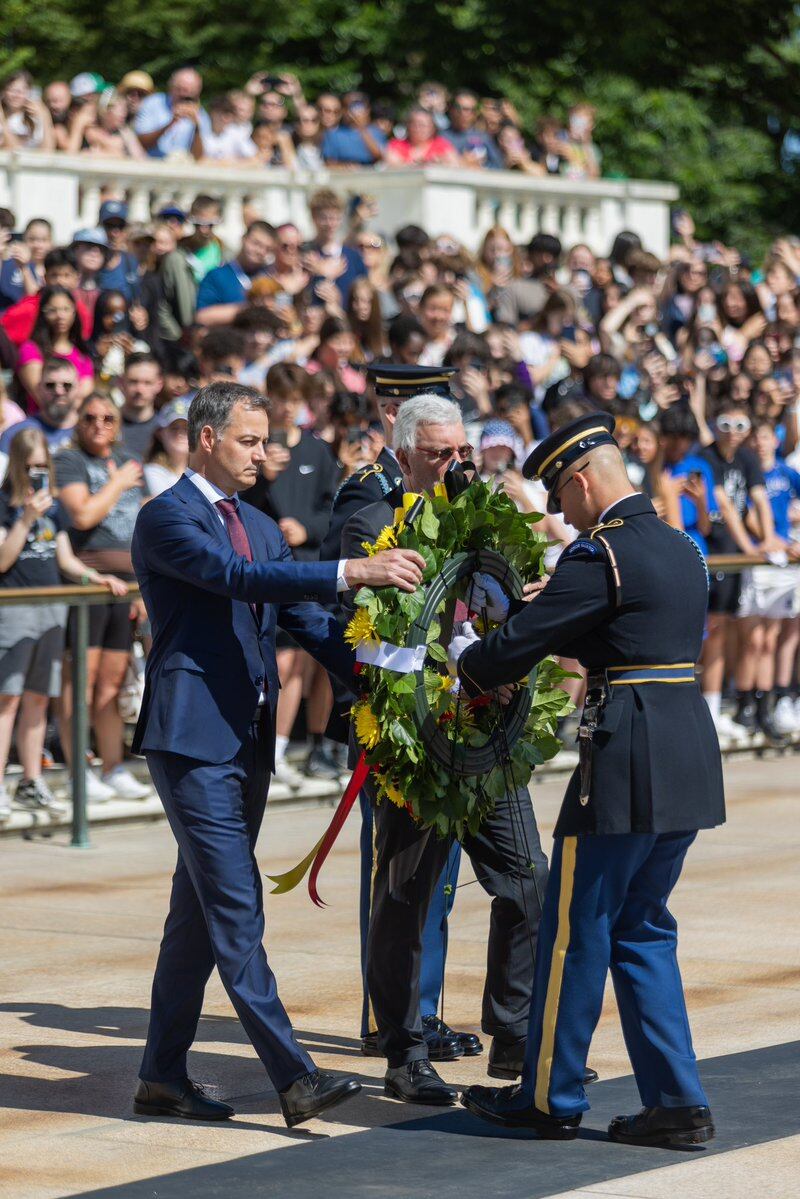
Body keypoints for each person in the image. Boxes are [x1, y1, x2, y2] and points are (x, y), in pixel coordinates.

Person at [129, 379, 424, 1127]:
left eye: (266, 440)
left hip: (246, 739)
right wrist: (348, 570)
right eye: (250, 440)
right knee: (236, 906)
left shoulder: (258, 524)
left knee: (196, 914)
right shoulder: (167, 517)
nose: (265, 453)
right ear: (206, 438)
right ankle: (295, 1076)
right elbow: (231, 580)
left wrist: (387, 673)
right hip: (192, 737)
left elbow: (305, 621)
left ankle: (161, 1075)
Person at [453, 411, 725, 1146]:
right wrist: (562, 608)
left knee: (576, 932)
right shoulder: (681, 545)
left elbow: (514, 648)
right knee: (643, 929)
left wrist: (465, 660)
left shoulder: (597, 554)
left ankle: (548, 1095)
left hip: (627, 754)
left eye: (560, 497)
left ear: (580, 479)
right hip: (686, 752)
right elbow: (633, 631)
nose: (559, 513)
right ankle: (678, 1100)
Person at [341, 392, 553, 1105]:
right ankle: (403, 1049)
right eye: (439, 454)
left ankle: (513, 1028)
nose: (456, 464)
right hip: (410, 738)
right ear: (404, 456)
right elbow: (354, 622)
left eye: (461, 450)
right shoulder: (375, 518)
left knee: (528, 877)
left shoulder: (480, 515)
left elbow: (499, 597)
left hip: (483, 730)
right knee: (405, 896)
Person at [0, 428, 126, 820]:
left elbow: (66, 559)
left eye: (43, 466)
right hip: (15, 610)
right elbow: (2, 560)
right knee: (8, 699)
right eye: (30, 466)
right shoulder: (4, 505)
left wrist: (95, 578)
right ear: (16, 467)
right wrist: (25, 518)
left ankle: (31, 781)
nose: (37, 473)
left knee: (39, 697)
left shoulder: (53, 509)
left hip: (53, 610)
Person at [240, 363, 343, 783]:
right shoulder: (256, 451)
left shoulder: (317, 450)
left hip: (310, 569)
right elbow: (239, 505)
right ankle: (273, 750)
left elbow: (332, 510)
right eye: (278, 398)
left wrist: (306, 528)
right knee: (281, 663)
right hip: (267, 571)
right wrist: (263, 480)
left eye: (293, 398)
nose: (285, 408)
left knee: (308, 662)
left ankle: (301, 747)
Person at [55, 393, 149, 802]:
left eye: (108, 417)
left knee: (112, 683)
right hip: (89, 582)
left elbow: (139, 524)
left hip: (127, 586)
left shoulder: (127, 460)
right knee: (83, 680)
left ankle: (113, 767)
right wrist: (117, 483)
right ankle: (80, 769)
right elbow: (83, 515)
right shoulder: (70, 460)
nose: (99, 424)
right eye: (90, 416)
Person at [16, 285, 94, 406]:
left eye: (66, 309)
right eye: (52, 310)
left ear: (74, 312)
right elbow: (41, 396)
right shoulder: (31, 350)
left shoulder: (82, 355)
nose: (60, 316)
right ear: (42, 313)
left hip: (74, 422)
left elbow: (85, 399)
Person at [196, 221, 274, 327]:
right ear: (243, 239)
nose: (260, 251)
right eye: (256, 243)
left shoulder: (270, 278)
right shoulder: (217, 276)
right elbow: (202, 317)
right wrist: (249, 309)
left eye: (267, 248)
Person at [0, 357, 80, 457]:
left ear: (78, 388)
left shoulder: (94, 432)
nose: (59, 391)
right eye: (50, 385)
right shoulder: (15, 435)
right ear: (39, 388)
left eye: (66, 385)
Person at [303, 189, 367, 306]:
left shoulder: (353, 257)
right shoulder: (304, 253)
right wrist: (324, 274)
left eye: (335, 218)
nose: (330, 224)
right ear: (313, 217)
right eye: (324, 218)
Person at [134, 67, 210, 160]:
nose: (184, 95)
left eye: (190, 92)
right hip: (151, 165)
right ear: (171, 87)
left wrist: (197, 127)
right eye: (180, 89)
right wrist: (172, 123)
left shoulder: (202, 115)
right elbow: (141, 144)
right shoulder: (152, 103)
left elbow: (198, 157)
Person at [0, 218, 52, 313]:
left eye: (44, 240)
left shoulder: (55, 270)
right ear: (24, 239)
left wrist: (24, 268)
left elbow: (35, 299)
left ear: (51, 242)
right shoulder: (8, 264)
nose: (38, 245)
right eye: (32, 239)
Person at [321, 91, 386, 166]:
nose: (353, 111)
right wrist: (346, 167)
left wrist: (361, 128)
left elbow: (379, 156)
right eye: (348, 106)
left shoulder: (376, 132)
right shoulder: (333, 134)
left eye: (358, 106)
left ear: (367, 109)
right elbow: (329, 162)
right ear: (343, 110)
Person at [143, 398, 190, 497]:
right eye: (174, 428)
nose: (180, 433)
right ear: (160, 433)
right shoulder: (152, 472)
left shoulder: (203, 473)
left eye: (186, 429)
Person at [119, 353, 163, 460]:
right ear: (121, 382)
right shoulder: (106, 423)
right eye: (133, 382)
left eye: (147, 383)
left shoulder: (165, 429)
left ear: (159, 385)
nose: (139, 389)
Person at [444, 91, 502, 168]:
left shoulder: (484, 137)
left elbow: (499, 166)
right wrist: (461, 162)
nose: (465, 113)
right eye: (460, 108)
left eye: (470, 110)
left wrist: (481, 166)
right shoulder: (440, 136)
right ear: (452, 109)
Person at [386, 108, 459, 167]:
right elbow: (391, 164)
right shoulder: (397, 145)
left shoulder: (442, 145)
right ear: (408, 126)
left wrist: (440, 163)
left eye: (423, 125)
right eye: (414, 124)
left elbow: (455, 164)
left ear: (432, 127)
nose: (418, 128)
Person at [179, 195, 224, 284]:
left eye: (210, 224)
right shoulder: (179, 252)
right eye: (198, 224)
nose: (204, 230)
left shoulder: (225, 253)